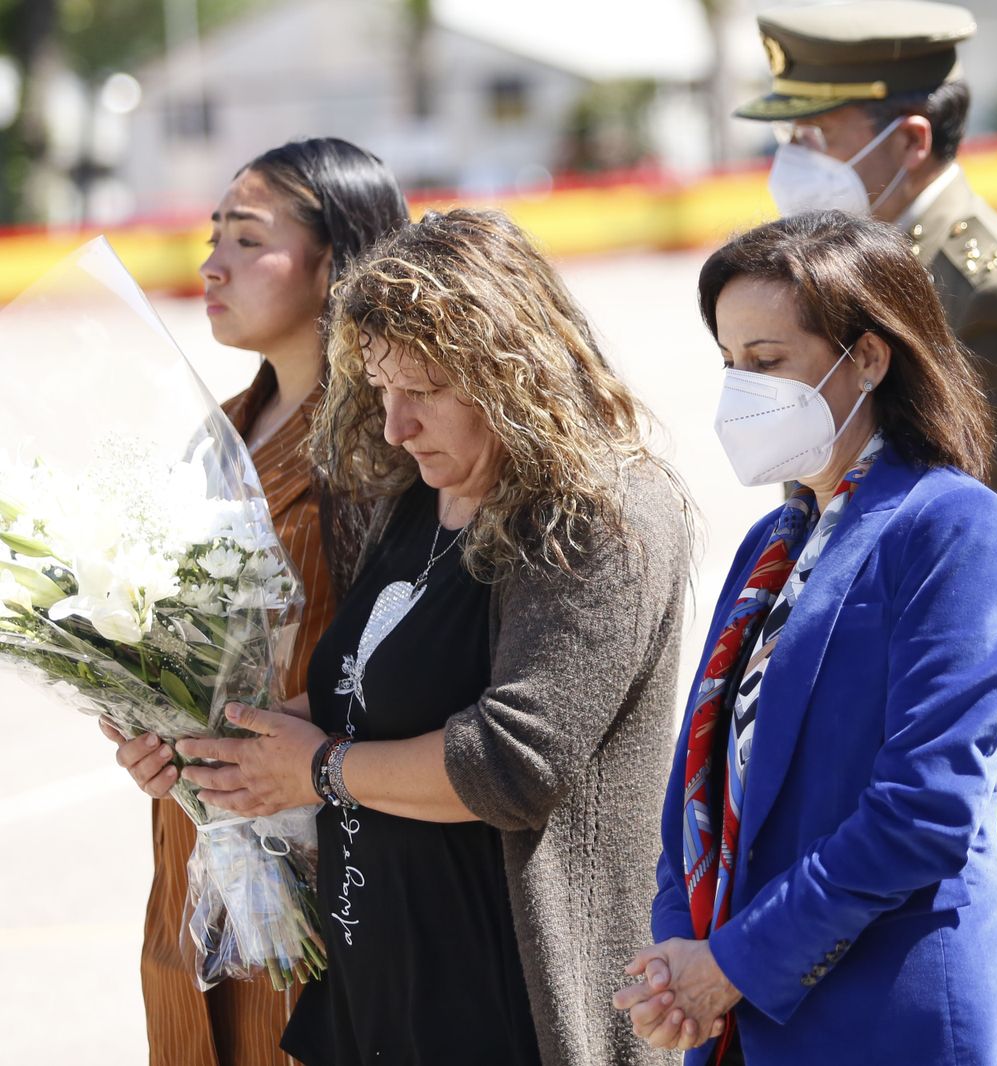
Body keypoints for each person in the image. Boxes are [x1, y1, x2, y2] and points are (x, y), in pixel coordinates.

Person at [152, 208, 688, 1065]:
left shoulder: (603, 514)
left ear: (515, 370)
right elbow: (358, 700)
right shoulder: (415, 495)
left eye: (425, 390)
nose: (396, 425)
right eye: (380, 389)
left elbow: (514, 763)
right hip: (379, 1001)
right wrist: (208, 749)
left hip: (513, 1012)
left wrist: (316, 768)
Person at [733, 6, 997, 1058]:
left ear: (907, 138)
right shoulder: (875, 273)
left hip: (991, 772)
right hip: (884, 763)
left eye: (813, 138)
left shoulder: (977, 287)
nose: (789, 164)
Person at [614, 210, 997, 1063]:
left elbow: (926, 809)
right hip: (749, 1020)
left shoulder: (952, 526)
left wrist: (731, 964)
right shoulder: (773, 544)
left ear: (870, 357)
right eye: (731, 365)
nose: (742, 390)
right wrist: (677, 960)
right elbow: (703, 778)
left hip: (893, 1017)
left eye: (767, 363)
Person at [101, 136, 409, 1066]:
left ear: (337, 262)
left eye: (247, 238)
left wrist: (289, 735)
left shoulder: (386, 444)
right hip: (196, 843)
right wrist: (139, 725)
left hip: (328, 852)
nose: (212, 263)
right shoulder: (219, 433)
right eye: (212, 236)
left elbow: (416, 657)